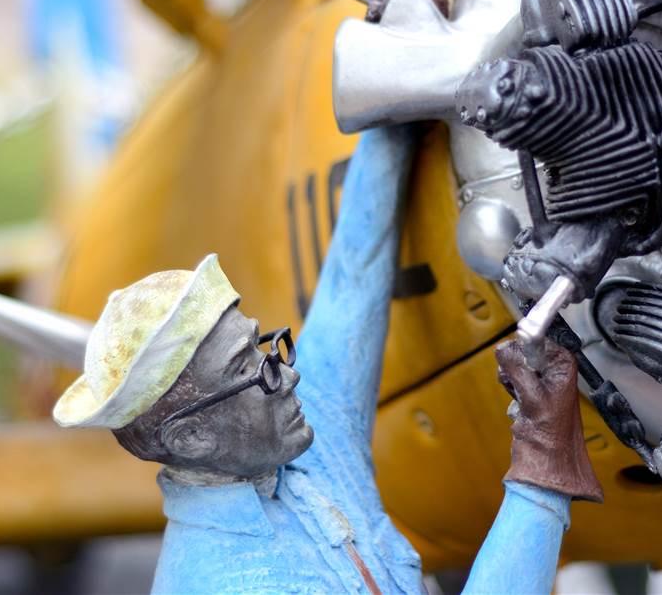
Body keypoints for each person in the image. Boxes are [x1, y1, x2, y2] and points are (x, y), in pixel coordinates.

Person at [53, 125, 602, 593]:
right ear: (193, 438)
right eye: (250, 370)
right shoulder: (233, 582)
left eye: (263, 345)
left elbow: (351, 282)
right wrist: (540, 470)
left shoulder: (285, 446)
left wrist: (388, 115)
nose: (289, 375)